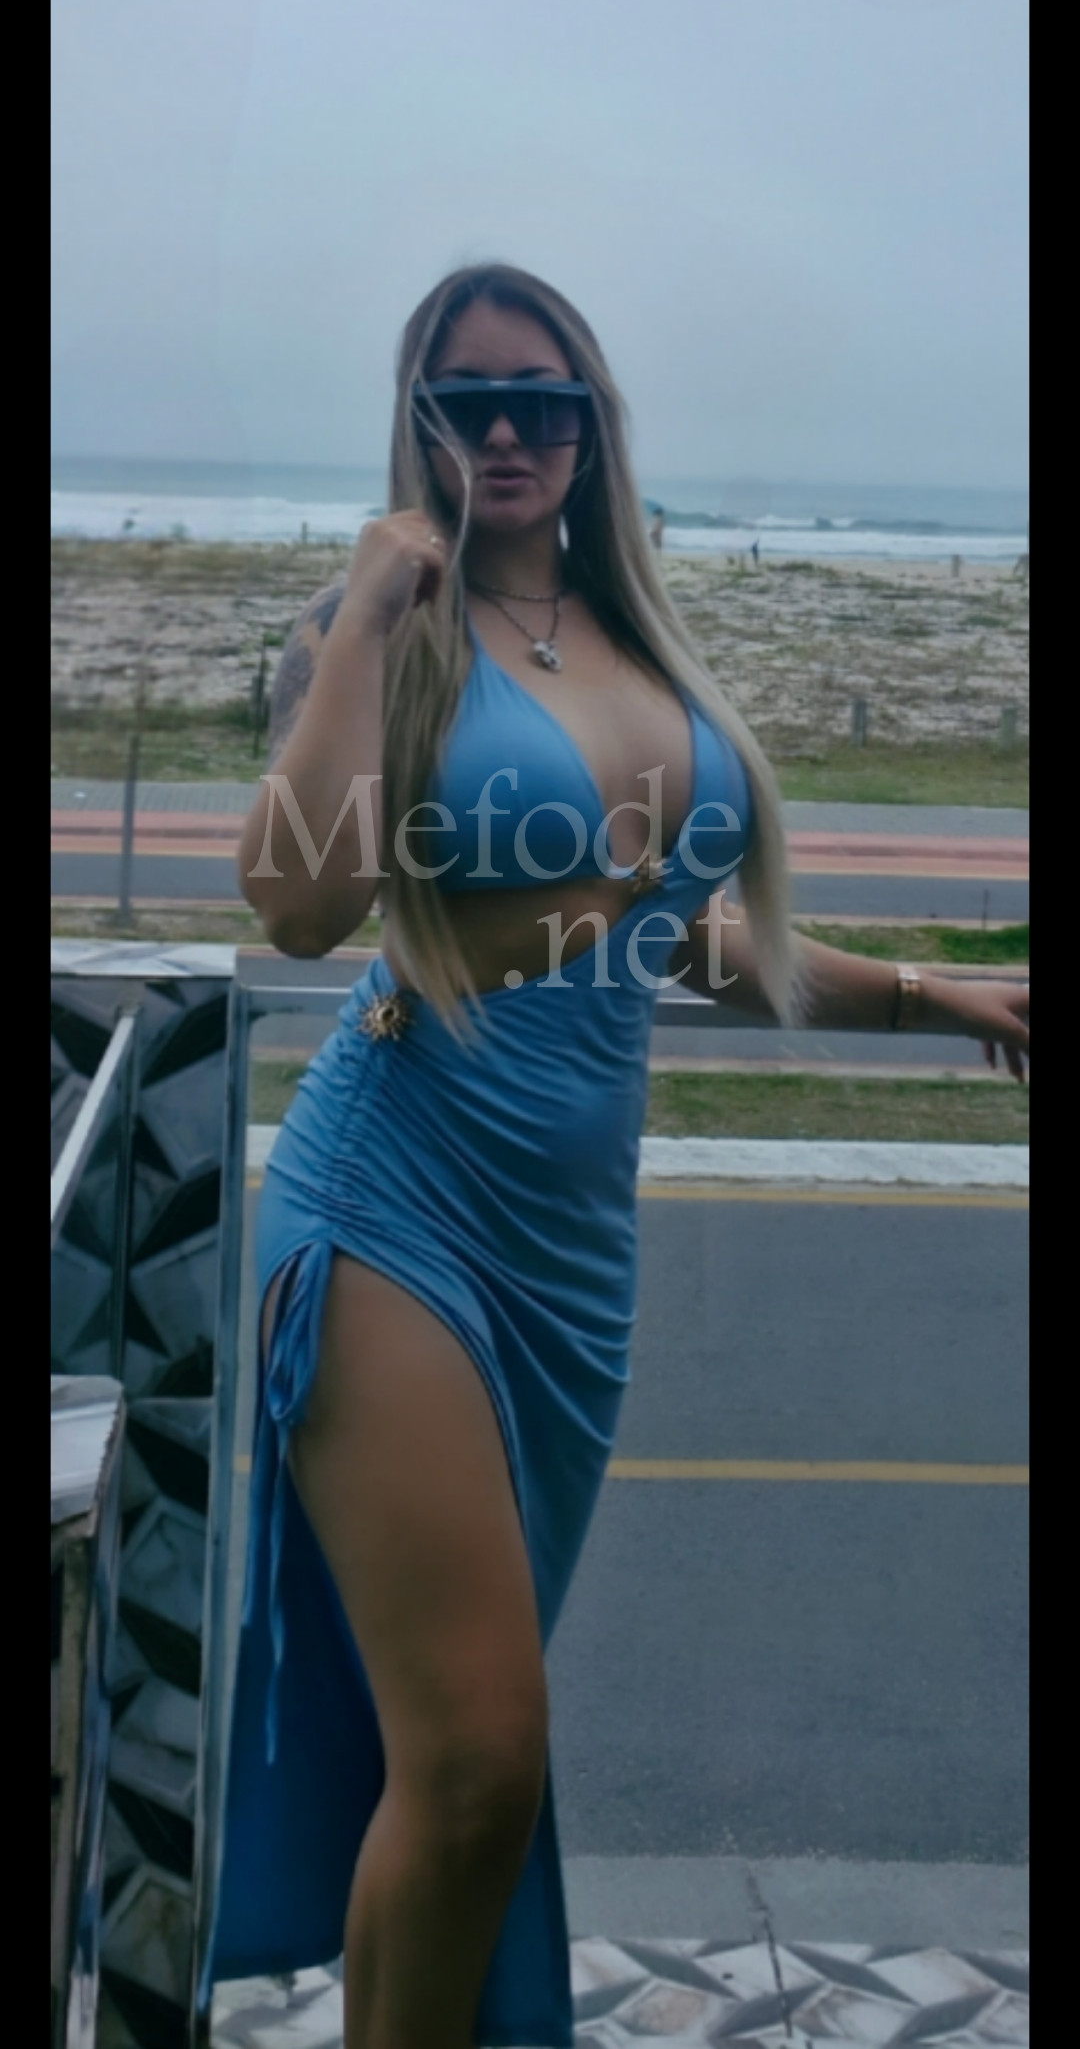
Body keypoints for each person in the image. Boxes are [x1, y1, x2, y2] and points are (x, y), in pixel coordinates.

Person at [203, 262, 1029, 2049]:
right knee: (479, 1756)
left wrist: (929, 992)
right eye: (466, 401)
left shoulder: (638, 638)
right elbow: (296, 907)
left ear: (593, 427)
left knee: (462, 1774)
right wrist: (370, 606)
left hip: (572, 1256)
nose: (506, 431)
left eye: (545, 400)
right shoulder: (375, 631)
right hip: (390, 1204)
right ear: (420, 420)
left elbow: (684, 934)